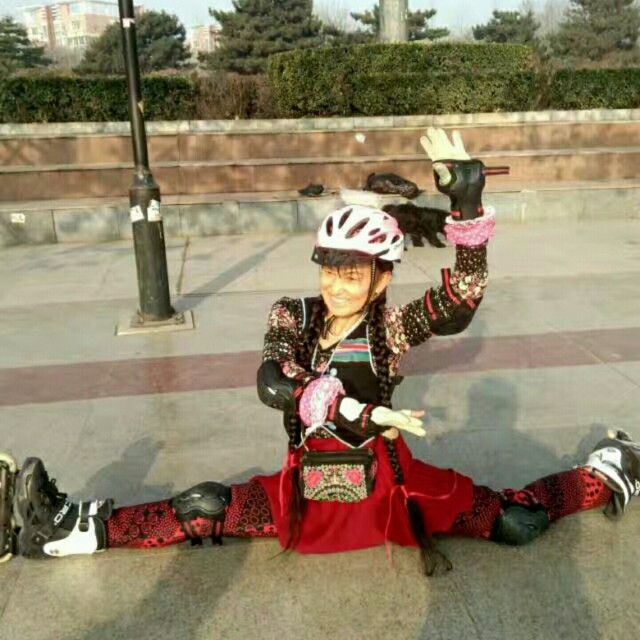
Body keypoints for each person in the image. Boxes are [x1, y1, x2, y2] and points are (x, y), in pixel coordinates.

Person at [7, 129, 639, 574]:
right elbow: (274, 379)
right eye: (330, 269)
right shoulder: (292, 314)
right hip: (305, 489)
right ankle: (69, 528)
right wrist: (349, 409)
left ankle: (608, 470)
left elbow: (461, 299)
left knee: (517, 522)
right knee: (204, 505)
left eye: (353, 273)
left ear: (381, 280)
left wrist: (467, 209)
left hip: (388, 488)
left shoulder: (391, 331)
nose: (337, 284)